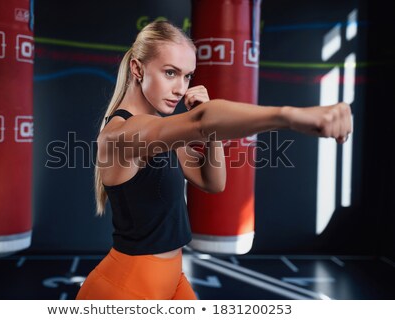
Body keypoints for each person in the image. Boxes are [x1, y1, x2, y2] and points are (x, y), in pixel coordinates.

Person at [76, 20, 352, 300]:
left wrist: (211, 132)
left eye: (187, 77)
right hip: (127, 287)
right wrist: (291, 117)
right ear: (137, 69)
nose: (181, 89)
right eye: (170, 73)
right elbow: (201, 121)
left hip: (171, 279)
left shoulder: (160, 131)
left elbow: (213, 182)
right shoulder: (121, 133)